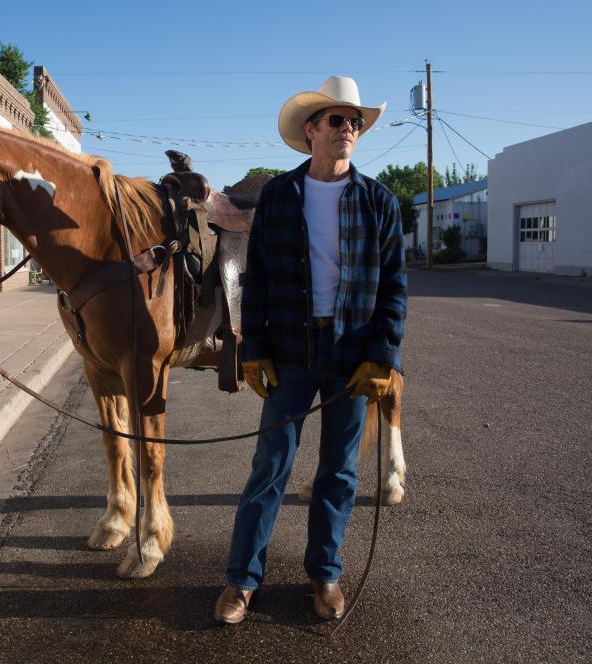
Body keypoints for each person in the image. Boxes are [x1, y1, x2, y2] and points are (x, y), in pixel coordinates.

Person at [214, 76, 407, 624]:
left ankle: (325, 575)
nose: (349, 128)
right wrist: (252, 349)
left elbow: (394, 286)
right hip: (291, 353)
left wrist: (383, 355)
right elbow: (258, 279)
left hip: (351, 356)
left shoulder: (379, 202)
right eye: (337, 120)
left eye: (355, 122)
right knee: (269, 467)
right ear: (311, 130)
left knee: (339, 473)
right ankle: (242, 582)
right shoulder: (279, 196)